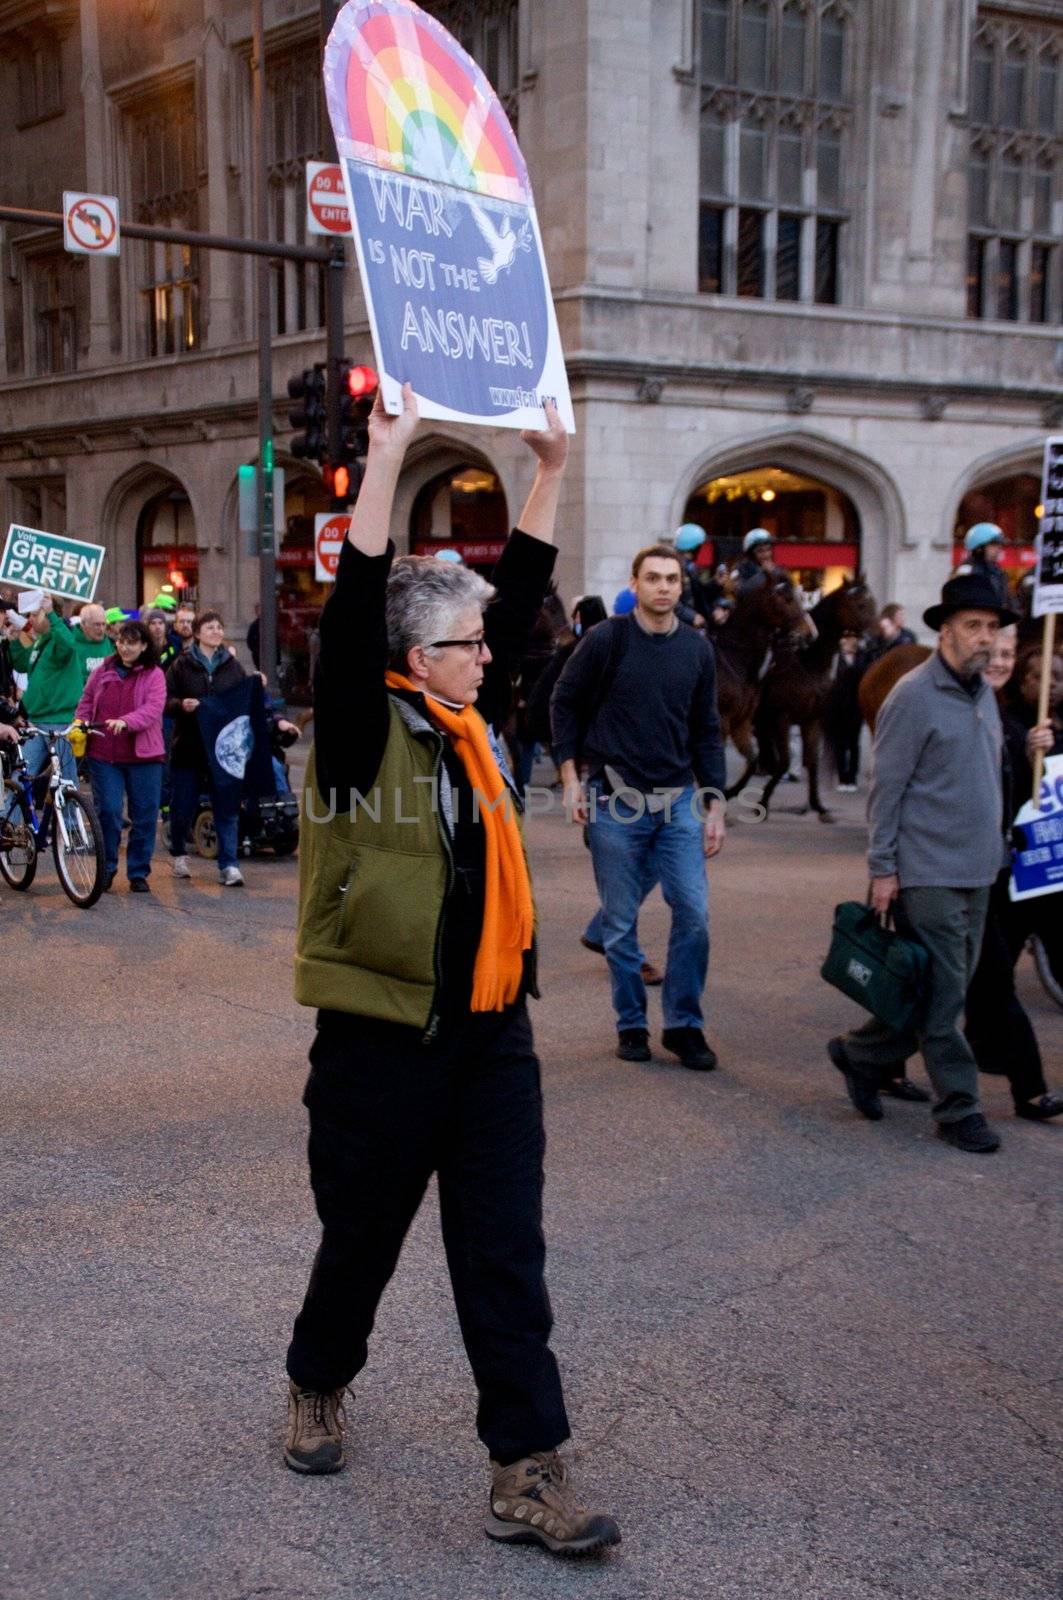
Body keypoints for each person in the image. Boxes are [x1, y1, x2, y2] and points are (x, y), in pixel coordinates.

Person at [285, 387, 620, 1559]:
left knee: (503, 1255)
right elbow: (350, 612)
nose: (491, 653)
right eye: (467, 642)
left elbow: (523, 603)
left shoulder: (480, 725)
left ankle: (525, 1469)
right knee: (362, 1240)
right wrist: (384, 457)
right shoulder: (360, 728)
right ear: (413, 656)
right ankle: (317, 1381)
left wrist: (549, 469)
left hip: (489, 1034)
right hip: (382, 1039)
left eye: (485, 642)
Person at [827, 571, 1017, 1153]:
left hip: (981, 868)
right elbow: (887, 789)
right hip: (927, 870)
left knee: (935, 990)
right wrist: (883, 869)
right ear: (947, 631)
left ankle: (862, 1053)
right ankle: (958, 1108)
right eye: (973, 626)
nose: (985, 638)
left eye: (992, 627)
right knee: (947, 996)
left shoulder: (982, 689)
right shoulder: (912, 695)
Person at [552, 543, 726, 1068]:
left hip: (678, 801)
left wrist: (714, 803)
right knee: (621, 923)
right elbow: (563, 701)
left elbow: (708, 731)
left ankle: (683, 1026)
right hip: (616, 799)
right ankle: (631, 1024)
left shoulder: (697, 650)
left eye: (672, 579)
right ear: (636, 583)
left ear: (680, 586)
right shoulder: (608, 639)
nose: (665, 587)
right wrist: (570, 778)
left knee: (693, 913)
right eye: (654, 578)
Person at [959, 638, 1063, 1122]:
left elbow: (1025, 796)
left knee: (985, 979)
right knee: (951, 982)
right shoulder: (968, 709)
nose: (998, 663)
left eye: (1005, 653)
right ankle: (873, 1055)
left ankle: (1023, 1083)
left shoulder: (1011, 715)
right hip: (961, 870)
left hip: (1020, 864)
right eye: (993, 654)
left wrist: (1035, 751)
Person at [76, 619, 166, 893]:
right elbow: (87, 700)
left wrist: (127, 721)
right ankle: (107, 868)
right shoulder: (103, 669)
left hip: (144, 756)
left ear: (144, 646)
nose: (125, 648)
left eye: (132, 643)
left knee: (144, 816)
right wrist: (80, 722)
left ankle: (138, 872)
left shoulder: (154, 674)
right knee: (110, 812)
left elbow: (153, 708)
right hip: (105, 753)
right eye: (121, 642)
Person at [165, 609, 248, 887]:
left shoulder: (232, 665)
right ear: (198, 633)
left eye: (219, 627)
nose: (217, 632)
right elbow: (166, 700)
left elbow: (244, 700)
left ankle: (229, 865)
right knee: (183, 807)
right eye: (210, 627)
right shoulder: (181, 665)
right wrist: (181, 705)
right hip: (189, 746)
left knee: (226, 808)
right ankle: (178, 854)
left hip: (222, 751)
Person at [5, 596, 81, 799]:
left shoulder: (59, 640)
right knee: (22, 777)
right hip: (37, 721)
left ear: (49, 614)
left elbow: (68, 645)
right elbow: (22, 664)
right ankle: (11, 824)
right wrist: (14, 642)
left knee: (66, 781)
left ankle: (72, 827)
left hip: (58, 721)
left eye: (34, 614)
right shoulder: (42, 643)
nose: (29, 618)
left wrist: (50, 614)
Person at [824, 628, 867, 792]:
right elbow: (830, 679)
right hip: (838, 705)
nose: (848, 640)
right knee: (840, 744)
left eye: (852, 637)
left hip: (855, 705)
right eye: (845, 637)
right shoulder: (836, 657)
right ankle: (842, 778)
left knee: (854, 744)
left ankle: (852, 778)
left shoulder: (862, 655)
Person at [954, 522, 1010, 609]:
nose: (999, 548)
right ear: (979, 548)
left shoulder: (997, 571)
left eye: (1000, 544)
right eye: (994, 544)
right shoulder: (966, 571)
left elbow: (1006, 601)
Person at [71, 604, 116, 681]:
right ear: (83, 624)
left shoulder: (112, 644)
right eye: (97, 625)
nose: (101, 629)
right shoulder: (69, 643)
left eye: (103, 624)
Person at [730, 528, 775, 595]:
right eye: (760, 551)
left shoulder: (776, 570)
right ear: (751, 554)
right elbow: (740, 592)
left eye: (768, 549)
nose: (766, 555)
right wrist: (763, 574)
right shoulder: (739, 569)